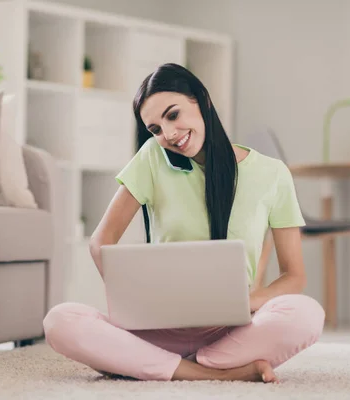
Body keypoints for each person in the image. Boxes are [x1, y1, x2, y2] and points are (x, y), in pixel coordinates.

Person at [43, 63, 325, 383]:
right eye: (155, 129)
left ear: (200, 100)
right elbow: (101, 241)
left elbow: (293, 276)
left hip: (230, 332)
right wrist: (135, 300)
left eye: (173, 115)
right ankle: (211, 373)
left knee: (307, 314)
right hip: (157, 328)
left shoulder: (273, 173)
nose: (168, 134)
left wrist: (245, 303)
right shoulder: (152, 157)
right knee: (60, 320)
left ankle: (155, 365)